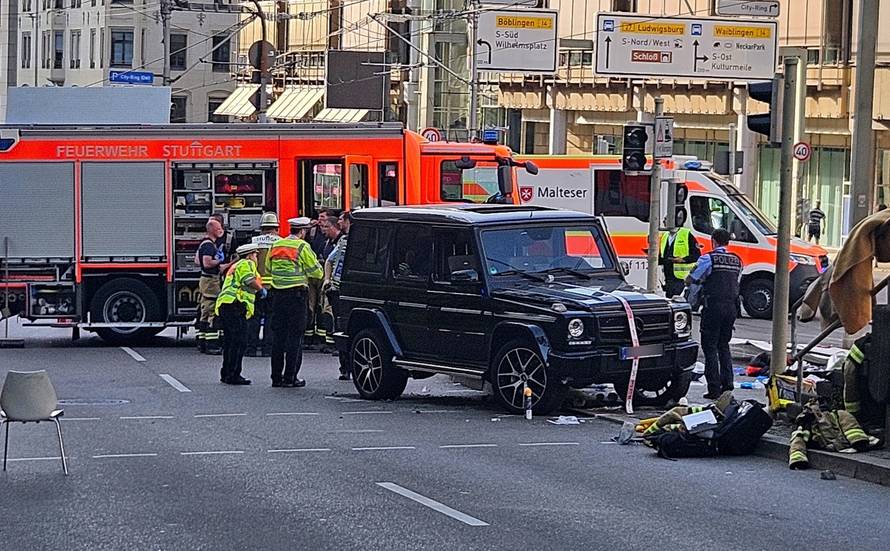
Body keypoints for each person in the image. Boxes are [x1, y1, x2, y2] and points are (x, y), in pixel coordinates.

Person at [266, 217, 323, 388]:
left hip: (277, 296)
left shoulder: (276, 245)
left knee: (278, 338)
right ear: (303, 231)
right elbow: (316, 273)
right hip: (296, 297)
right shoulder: (302, 246)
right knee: (295, 337)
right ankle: (290, 377)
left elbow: (268, 268)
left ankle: (276, 377)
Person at [686, 229, 742, 400]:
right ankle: (728, 383)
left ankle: (713, 388)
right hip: (731, 308)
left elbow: (693, 277)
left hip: (713, 306)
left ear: (713, 241)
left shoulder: (708, 258)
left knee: (709, 347)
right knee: (724, 345)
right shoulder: (737, 261)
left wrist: (690, 285)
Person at [215, 243, 265, 385]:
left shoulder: (236, 265)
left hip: (227, 304)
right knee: (239, 341)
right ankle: (234, 374)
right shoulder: (246, 263)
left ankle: (226, 373)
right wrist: (260, 290)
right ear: (250, 255)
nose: (256, 258)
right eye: (255, 255)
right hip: (235, 304)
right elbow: (248, 280)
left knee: (230, 341)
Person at [246, 212, 281, 357]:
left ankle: (251, 348)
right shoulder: (280, 242)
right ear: (276, 228)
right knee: (271, 319)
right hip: (274, 286)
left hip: (256, 286)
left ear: (261, 228)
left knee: (254, 318)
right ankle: (268, 349)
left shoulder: (253, 242)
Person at [196, 218, 232, 355]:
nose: (220, 231)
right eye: (218, 229)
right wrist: (219, 261)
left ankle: (202, 342)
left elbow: (196, 260)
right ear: (212, 230)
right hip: (211, 282)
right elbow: (206, 263)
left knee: (204, 312)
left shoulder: (204, 244)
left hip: (206, 280)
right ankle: (212, 345)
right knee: (212, 312)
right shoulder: (209, 246)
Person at [324, 210, 352, 380]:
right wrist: (327, 280)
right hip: (337, 289)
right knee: (340, 327)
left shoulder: (361, 240)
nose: (339, 222)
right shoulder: (342, 241)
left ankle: (350, 366)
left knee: (348, 328)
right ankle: (345, 368)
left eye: (342, 219)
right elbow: (329, 260)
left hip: (351, 290)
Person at [318, 210, 343, 353]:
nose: (323, 230)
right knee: (326, 310)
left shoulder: (341, 242)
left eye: (326, 227)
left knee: (331, 312)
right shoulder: (330, 241)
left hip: (335, 283)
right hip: (330, 281)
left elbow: (332, 261)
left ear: (334, 227)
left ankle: (334, 343)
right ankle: (331, 341)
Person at [305, 210, 330, 348]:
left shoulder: (330, 235)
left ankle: (321, 336)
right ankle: (309, 336)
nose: (320, 220)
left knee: (321, 305)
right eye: (319, 217)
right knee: (310, 305)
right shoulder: (313, 232)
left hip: (322, 273)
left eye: (323, 218)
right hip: (312, 272)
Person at [658, 219, 700, 298]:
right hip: (668, 278)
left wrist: (683, 259)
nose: (663, 221)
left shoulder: (686, 234)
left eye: (666, 219)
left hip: (681, 279)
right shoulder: (665, 236)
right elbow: (664, 256)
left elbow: (696, 255)